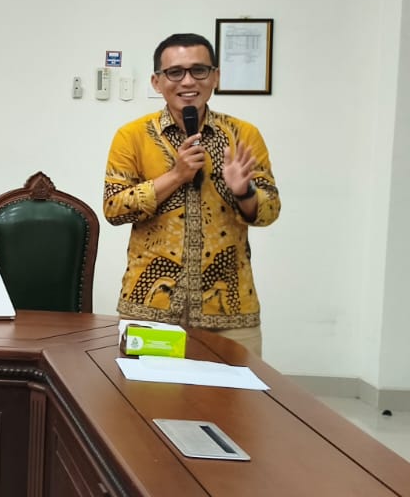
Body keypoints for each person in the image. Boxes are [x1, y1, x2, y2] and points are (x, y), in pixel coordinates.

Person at [104, 33, 281, 356]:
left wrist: (244, 192)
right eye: (175, 72)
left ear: (215, 77)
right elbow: (114, 208)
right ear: (157, 82)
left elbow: (269, 211)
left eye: (199, 70)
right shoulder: (132, 136)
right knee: (144, 389)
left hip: (230, 309)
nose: (188, 81)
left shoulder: (243, 135)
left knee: (238, 390)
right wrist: (176, 176)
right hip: (150, 306)